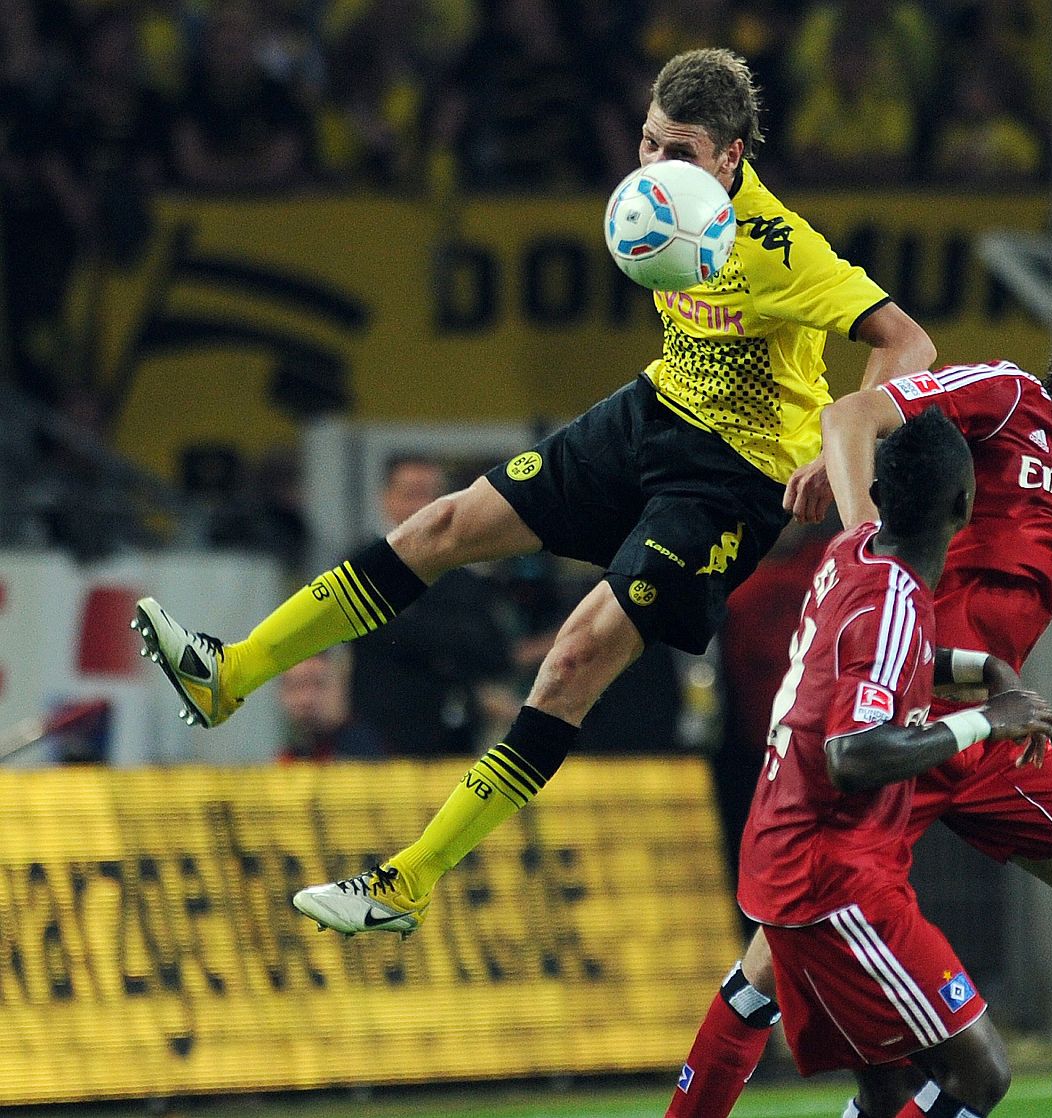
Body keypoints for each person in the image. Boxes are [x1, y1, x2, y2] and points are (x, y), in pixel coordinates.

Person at [130, 46, 935, 937]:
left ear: (731, 158)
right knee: (441, 525)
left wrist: (838, 442)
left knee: (573, 660)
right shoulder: (654, 209)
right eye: (647, 143)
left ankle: (407, 882)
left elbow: (909, 344)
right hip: (655, 409)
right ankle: (231, 674)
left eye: (680, 152)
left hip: (730, 481)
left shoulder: (781, 246)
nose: (655, 168)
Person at [667, 189, 1052, 1118]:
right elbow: (850, 419)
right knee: (768, 960)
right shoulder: (1003, 395)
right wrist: (870, 557)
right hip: (895, 718)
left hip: (992, 725)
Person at [740, 406, 1052, 1118]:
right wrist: (989, 719)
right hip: (835, 878)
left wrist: (982, 667)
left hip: (790, 854)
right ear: (967, 506)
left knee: (884, 1089)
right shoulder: (895, 596)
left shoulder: (851, 554)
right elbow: (852, 754)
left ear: (879, 498)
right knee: (980, 1074)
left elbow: (882, 660)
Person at [348, 454, 512, 758]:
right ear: (385, 498)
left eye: (431, 495)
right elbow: (368, 630)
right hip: (380, 743)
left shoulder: (467, 573)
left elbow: (494, 650)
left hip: (454, 742)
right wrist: (449, 639)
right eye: (411, 494)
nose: (421, 506)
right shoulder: (360, 566)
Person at [277, 647, 388, 763]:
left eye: (318, 684)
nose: (306, 700)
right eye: (296, 686)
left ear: (344, 684)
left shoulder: (370, 756)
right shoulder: (286, 759)